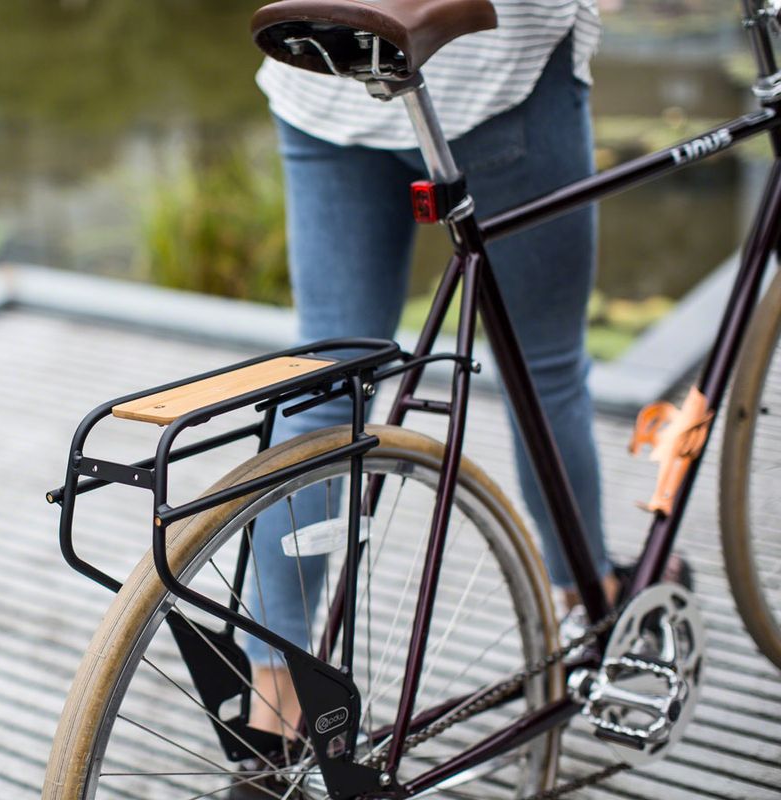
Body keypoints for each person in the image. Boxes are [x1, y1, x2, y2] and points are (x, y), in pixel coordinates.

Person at [244, 0, 618, 737]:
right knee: (542, 370)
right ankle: (593, 604)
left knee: (327, 384)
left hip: (322, 68)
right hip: (493, 81)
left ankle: (273, 706)